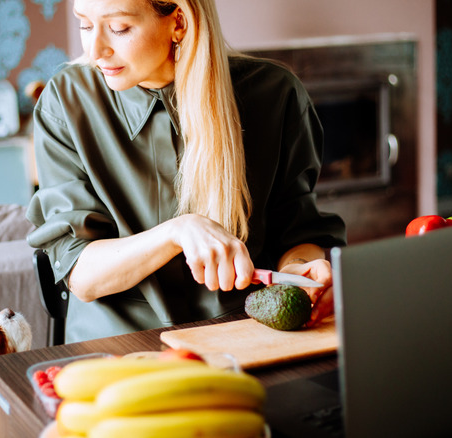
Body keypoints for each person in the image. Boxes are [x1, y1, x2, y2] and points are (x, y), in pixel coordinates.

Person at [26, 0, 346, 343]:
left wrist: (298, 269)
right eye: (85, 25)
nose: (95, 51)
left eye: (119, 28)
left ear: (178, 22)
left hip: (247, 334)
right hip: (116, 347)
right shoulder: (66, 102)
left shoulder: (276, 94)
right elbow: (81, 274)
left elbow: (297, 232)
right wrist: (177, 232)